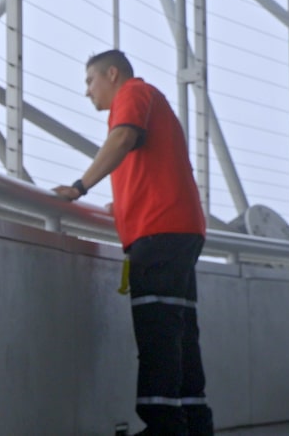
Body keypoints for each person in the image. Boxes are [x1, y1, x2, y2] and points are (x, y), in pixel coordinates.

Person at [53, 50, 213, 436]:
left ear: (112, 74)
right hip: (180, 228)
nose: (88, 92)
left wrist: (79, 187)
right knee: (180, 331)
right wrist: (122, 204)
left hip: (158, 232)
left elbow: (123, 138)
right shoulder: (151, 103)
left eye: (90, 81)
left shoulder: (134, 95)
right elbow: (150, 165)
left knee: (157, 328)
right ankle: (194, 421)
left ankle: (163, 426)